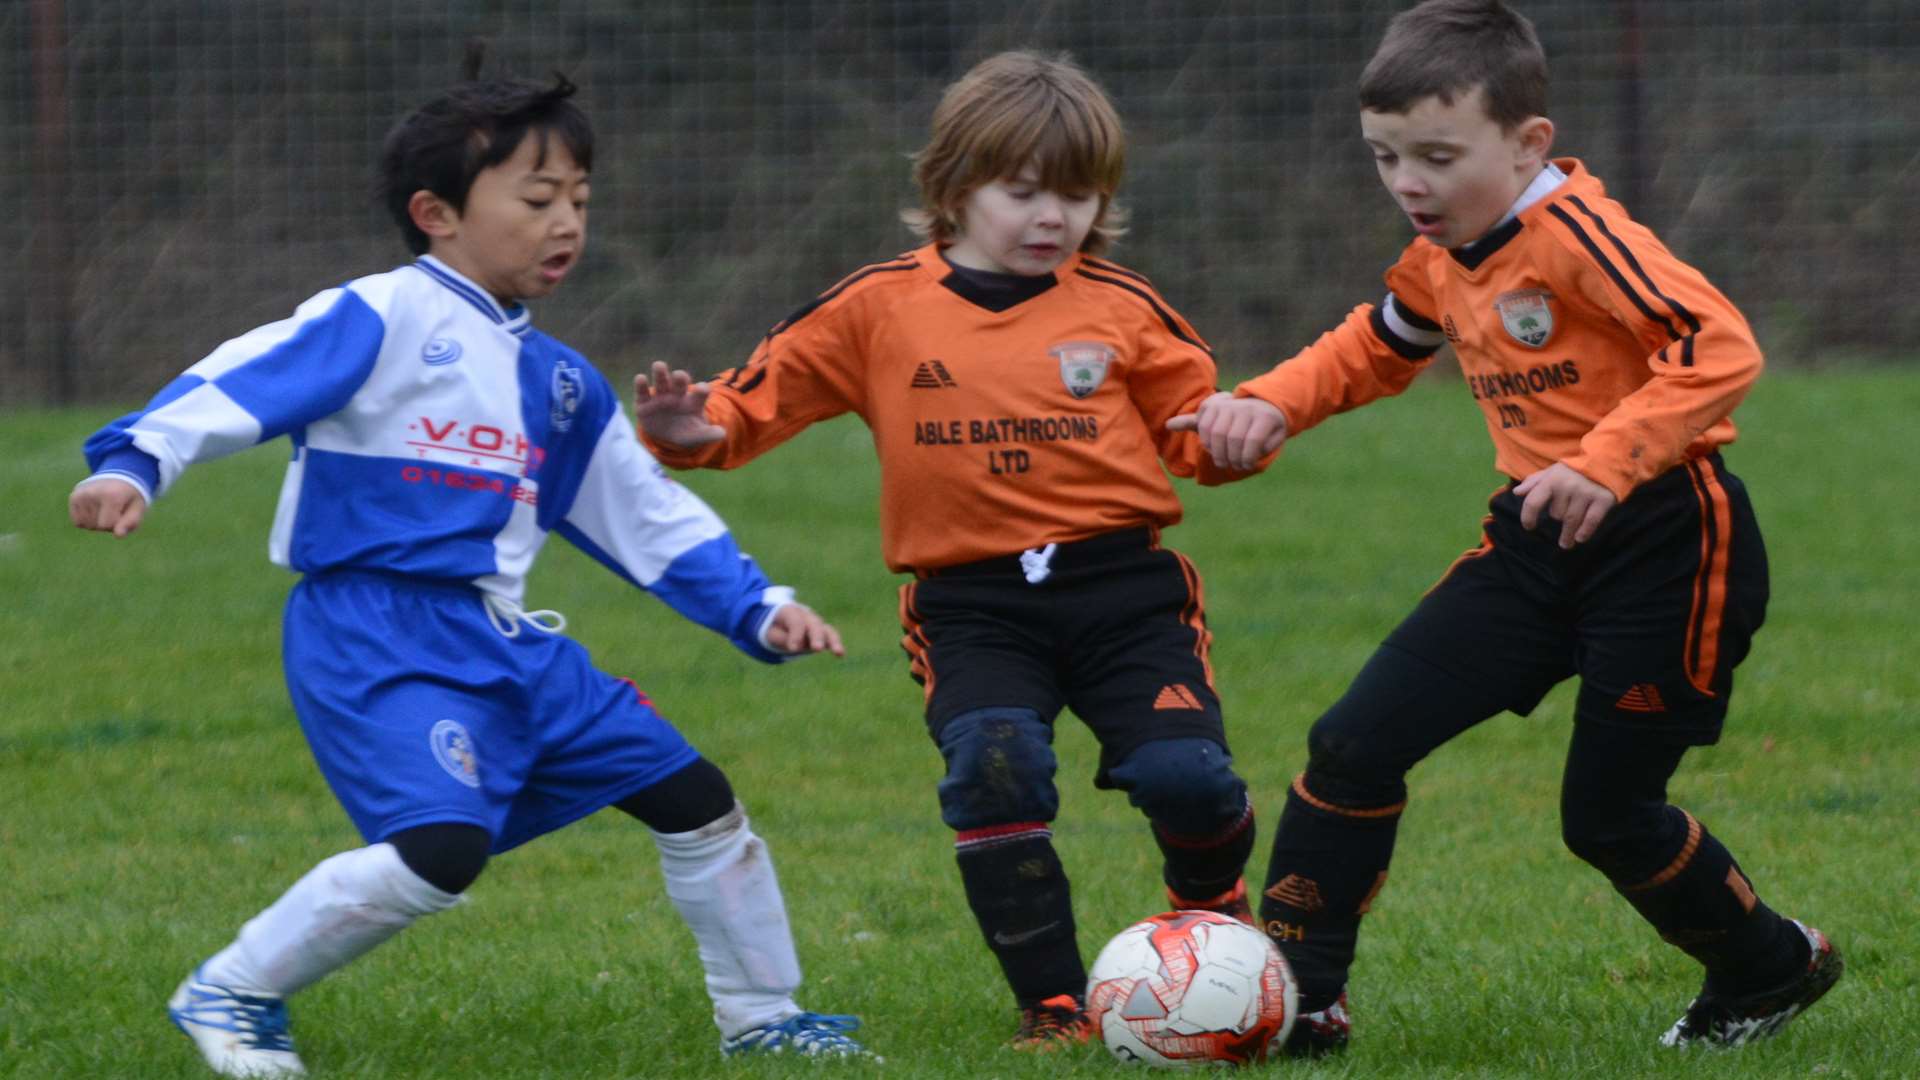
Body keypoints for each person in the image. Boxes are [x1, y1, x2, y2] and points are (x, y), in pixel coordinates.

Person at [69, 59, 873, 1078]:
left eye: (580, 199)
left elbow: (643, 512)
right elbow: (243, 376)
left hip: (505, 638)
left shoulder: (562, 382)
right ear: (436, 212)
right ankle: (232, 991)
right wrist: (137, 460)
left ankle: (764, 1018)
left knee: (695, 798)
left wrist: (758, 607)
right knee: (441, 850)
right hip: (375, 631)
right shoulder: (383, 314)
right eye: (537, 199)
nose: (567, 222)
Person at [1173, 0, 1842, 1056]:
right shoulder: (1444, 251)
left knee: (1609, 816)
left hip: (1670, 541)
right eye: (1386, 156)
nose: (1408, 183)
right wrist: (1270, 402)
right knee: (1353, 742)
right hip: (1534, 541)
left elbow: (1718, 347)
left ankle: (1770, 970)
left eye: (1436, 156)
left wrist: (1605, 462)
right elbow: (1375, 344)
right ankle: (1300, 1001)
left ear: (1528, 140)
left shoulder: (1581, 235)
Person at [634, 50, 1267, 1051]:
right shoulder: (878, 306)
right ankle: (1054, 1005)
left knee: (1188, 778)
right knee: (994, 769)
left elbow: (1195, 433)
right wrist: (688, 428)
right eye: (1024, 192)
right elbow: (749, 406)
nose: (1051, 216)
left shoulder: (1123, 306)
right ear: (955, 184)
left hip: (1124, 589)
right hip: (971, 604)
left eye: (1077, 193)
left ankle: (1215, 912)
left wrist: (1237, 433)